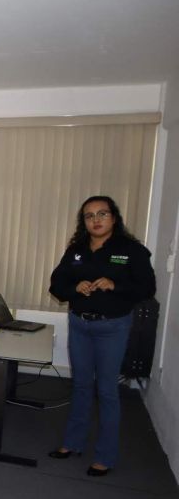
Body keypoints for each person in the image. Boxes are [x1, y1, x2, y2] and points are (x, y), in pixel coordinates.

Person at [48, 195, 156, 477]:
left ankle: (105, 457)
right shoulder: (76, 250)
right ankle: (73, 443)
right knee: (81, 385)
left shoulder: (131, 250)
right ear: (83, 222)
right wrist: (75, 287)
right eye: (89, 216)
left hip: (112, 327)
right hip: (80, 324)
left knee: (107, 390)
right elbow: (57, 284)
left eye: (102, 214)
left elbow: (147, 288)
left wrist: (115, 285)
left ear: (114, 218)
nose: (96, 220)